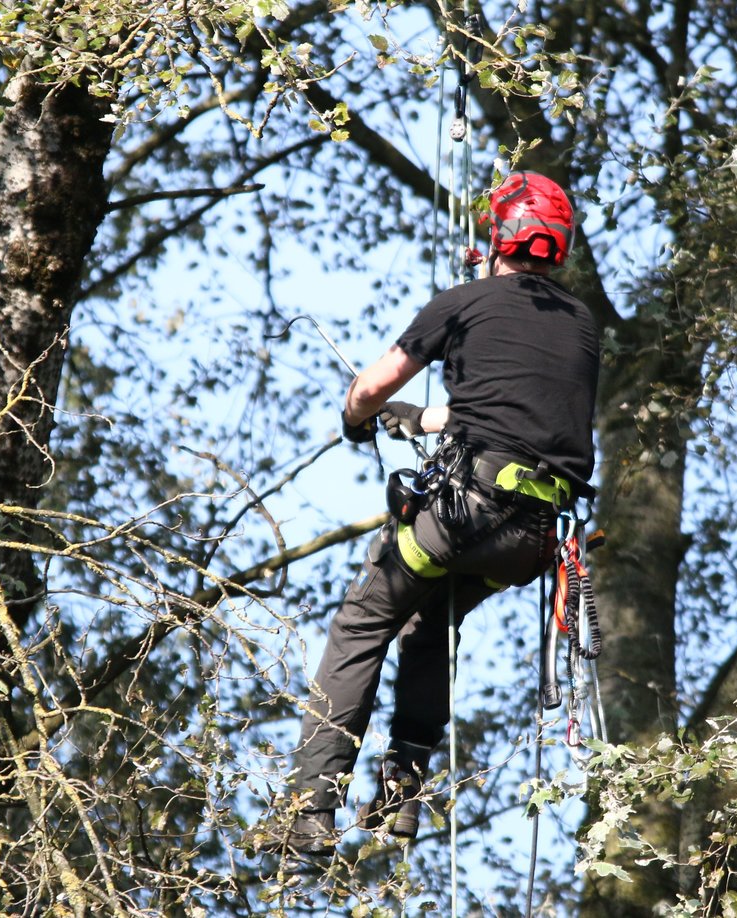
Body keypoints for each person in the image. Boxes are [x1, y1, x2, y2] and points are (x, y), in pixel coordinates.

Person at [254, 171, 599, 856]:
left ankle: (309, 808)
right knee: (425, 625)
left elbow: (373, 386)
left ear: (495, 236)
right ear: (555, 247)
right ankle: (402, 796)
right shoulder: (582, 327)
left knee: (363, 621)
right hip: (528, 540)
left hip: (462, 515)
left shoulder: (462, 301)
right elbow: (510, 414)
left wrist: (361, 414)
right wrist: (421, 420)